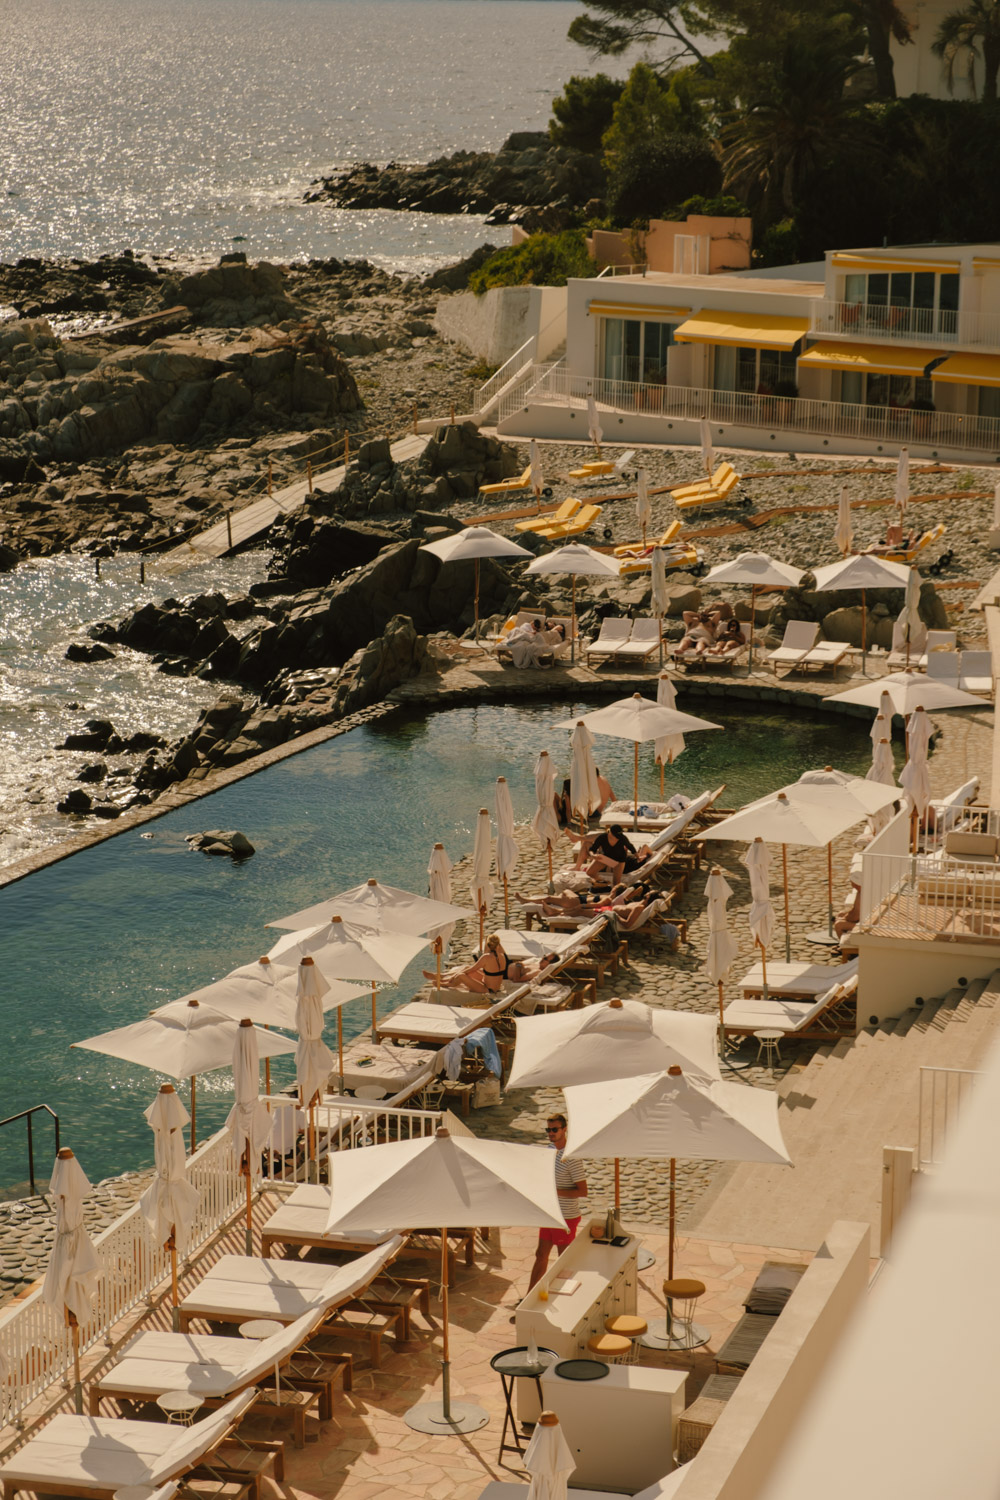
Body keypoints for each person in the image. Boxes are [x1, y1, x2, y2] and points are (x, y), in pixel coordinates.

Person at [527, 1114, 588, 1291]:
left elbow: (583, 1191)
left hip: (566, 1217)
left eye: (555, 1129)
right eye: (549, 1129)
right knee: (541, 1255)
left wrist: (554, 1191)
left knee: (563, 1263)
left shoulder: (572, 1158)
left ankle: (561, 1299)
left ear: (564, 1129)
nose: (551, 1133)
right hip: (550, 1214)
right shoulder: (549, 1150)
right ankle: (529, 1296)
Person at [425, 933, 510, 993]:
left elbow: (471, 970)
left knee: (461, 975)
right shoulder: (502, 956)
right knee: (466, 968)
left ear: (488, 945)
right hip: (494, 986)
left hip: (487, 989)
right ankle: (442, 976)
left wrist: (455, 975)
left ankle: (446, 984)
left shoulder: (486, 957)